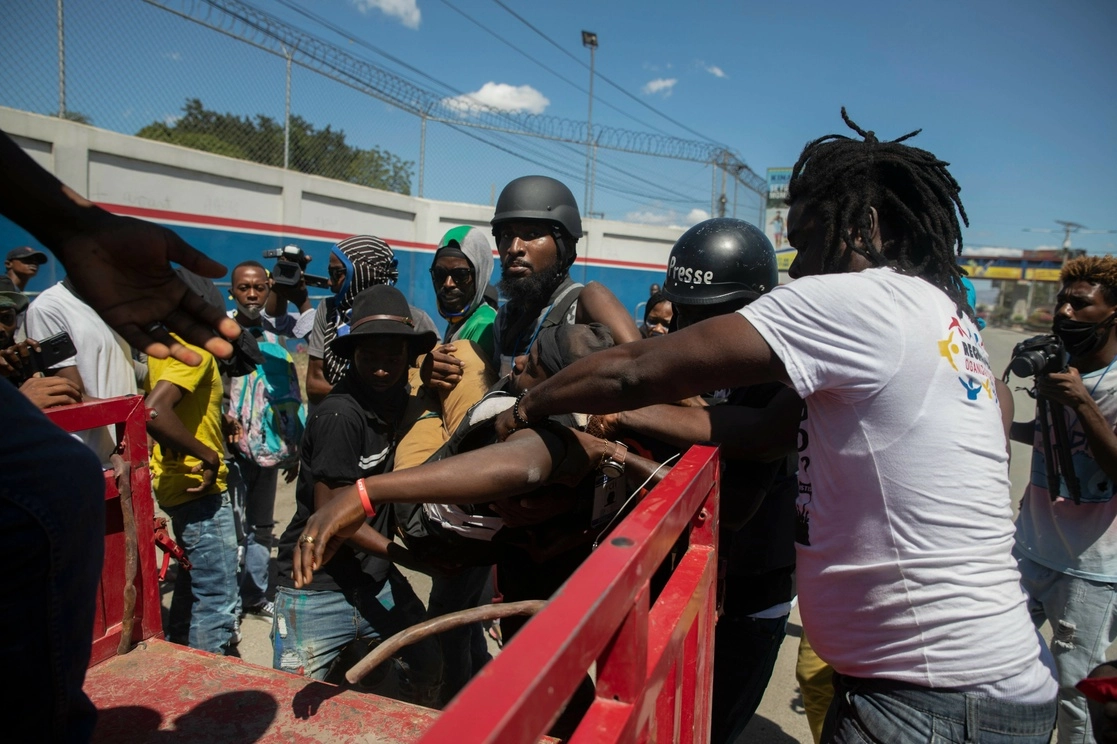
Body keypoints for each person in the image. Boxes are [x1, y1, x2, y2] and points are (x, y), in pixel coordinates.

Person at [485, 110, 1058, 743]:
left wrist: (530, 407)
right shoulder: (941, 317)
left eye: (808, 242)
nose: (801, 269)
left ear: (863, 226)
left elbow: (632, 370)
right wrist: (617, 415)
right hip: (967, 685)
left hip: (932, 702)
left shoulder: (856, 300)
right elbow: (762, 429)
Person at [0, 127, 238, 742]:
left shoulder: (107, 299)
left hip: (120, 462)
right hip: (102, 454)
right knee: (56, 484)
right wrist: (203, 451)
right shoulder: (50, 307)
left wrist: (76, 229)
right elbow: (99, 396)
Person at [587, 218, 798, 741]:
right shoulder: (684, 365)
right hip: (668, 577)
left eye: (712, 316)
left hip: (749, 591)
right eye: (686, 313)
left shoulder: (780, 375)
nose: (695, 329)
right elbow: (593, 293)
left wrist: (632, 415)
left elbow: (738, 503)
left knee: (709, 728)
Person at [272, 285, 441, 703]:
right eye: (370, 357)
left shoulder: (396, 402)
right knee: (292, 703)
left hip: (374, 580)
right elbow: (334, 514)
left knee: (428, 663)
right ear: (352, 356)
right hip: (319, 589)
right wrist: (403, 555)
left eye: (393, 358)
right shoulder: (340, 415)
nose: (382, 369)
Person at [1010, 255, 1117, 743]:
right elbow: (1049, 437)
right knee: (1002, 669)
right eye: (1062, 302)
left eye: (1081, 304)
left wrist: (1080, 402)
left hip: (1090, 572)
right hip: (1027, 550)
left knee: (1078, 700)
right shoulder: (1061, 366)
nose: (1065, 313)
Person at [489, 175, 640, 377]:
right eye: (507, 235)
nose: (514, 248)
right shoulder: (505, 318)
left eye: (532, 234)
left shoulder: (585, 303)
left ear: (565, 247)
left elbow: (644, 365)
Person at [145, 336, 240, 655]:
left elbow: (178, 407)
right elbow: (154, 411)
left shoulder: (160, 350)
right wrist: (209, 455)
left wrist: (218, 420)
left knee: (192, 591)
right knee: (216, 601)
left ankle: (180, 664)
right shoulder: (196, 350)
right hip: (200, 489)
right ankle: (208, 695)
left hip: (176, 486)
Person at [226, 260, 305, 619]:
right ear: (232, 291)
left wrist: (292, 447)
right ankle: (227, 603)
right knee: (232, 527)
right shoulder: (220, 331)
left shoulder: (275, 332)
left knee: (260, 526)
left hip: (270, 449)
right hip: (230, 450)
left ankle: (254, 597)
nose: (253, 294)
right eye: (245, 287)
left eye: (259, 287)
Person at [305, 234, 436, 404]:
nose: (330, 283)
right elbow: (314, 386)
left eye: (336, 273)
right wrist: (368, 401)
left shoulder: (410, 319)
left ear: (363, 273)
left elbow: (427, 380)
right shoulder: (328, 310)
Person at [24, 274, 140, 462]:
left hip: (127, 452)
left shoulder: (112, 307)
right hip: (88, 460)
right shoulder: (48, 308)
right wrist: (136, 414)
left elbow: (118, 364)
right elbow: (69, 394)